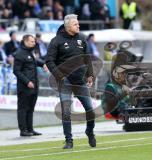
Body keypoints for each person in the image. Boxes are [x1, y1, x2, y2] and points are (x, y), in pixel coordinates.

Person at [45, 14, 96, 149]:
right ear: (68, 26)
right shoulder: (56, 41)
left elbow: (87, 58)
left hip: (80, 81)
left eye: (78, 24)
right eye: (76, 24)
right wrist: (60, 76)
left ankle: (90, 132)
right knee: (66, 112)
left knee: (90, 110)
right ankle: (69, 140)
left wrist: (90, 75)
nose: (78, 26)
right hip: (65, 82)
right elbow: (49, 61)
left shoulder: (82, 39)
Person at [13, 34, 44, 137]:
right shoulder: (19, 54)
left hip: (34, 85)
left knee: (31, 108)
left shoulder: (30, 52)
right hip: (24, 87)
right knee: (23, 108)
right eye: (32, 41)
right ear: (25, 41)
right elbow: (16, 71)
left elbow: (34, 62)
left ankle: (30, 129)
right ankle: (23, 130)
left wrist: (44, 64)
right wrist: (27, 82)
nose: (34, 43)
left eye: (34, 41)